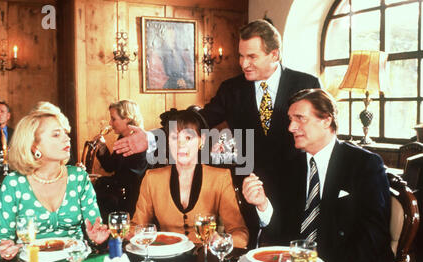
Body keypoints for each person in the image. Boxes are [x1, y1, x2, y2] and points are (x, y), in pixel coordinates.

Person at [111, 19, 321, 247]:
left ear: (274, 55)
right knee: (249, 258)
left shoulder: (305, 84)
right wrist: (153, 138)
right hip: (248, 189)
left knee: (295, 257)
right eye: (241, 56)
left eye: (252, 57)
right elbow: (200, 121)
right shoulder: (232, 89)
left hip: (296, 190)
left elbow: (320, 132)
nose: (244, 64)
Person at [242, 88, 395, 262]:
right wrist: (263, 205)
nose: (291, 127)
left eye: (300, 118)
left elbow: (373, 234)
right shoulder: (287, 165)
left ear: (326, 120)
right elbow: (281, 233)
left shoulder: (364, 164)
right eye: (290, 119)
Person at [0, 102, 110, 260]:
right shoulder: (14, 183)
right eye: (56, 134)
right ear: (34, 146)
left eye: (65, 133)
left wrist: (96, 238)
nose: (66, 139)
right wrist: (3, 248)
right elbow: (1, 240)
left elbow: (95, 229)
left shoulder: (78, 177)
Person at [131, 109, 249, 248]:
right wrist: (116, 232)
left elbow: (240, 234)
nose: (181, 145)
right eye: (175, 138)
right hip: (165, 259)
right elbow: (136, 228)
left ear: (202, 140)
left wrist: (223, 242)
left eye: (188, 138)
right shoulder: (152, 179)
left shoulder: (220, 178)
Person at [94, 100, 148, 220]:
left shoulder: (139, 141)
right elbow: (110, 167)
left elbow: (131, 178)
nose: (110, 123)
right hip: (121, 194)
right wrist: (102, 148)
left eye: (113, 119)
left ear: (127, 118)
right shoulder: (123, 137)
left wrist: (101, 180)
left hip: (133, 199)